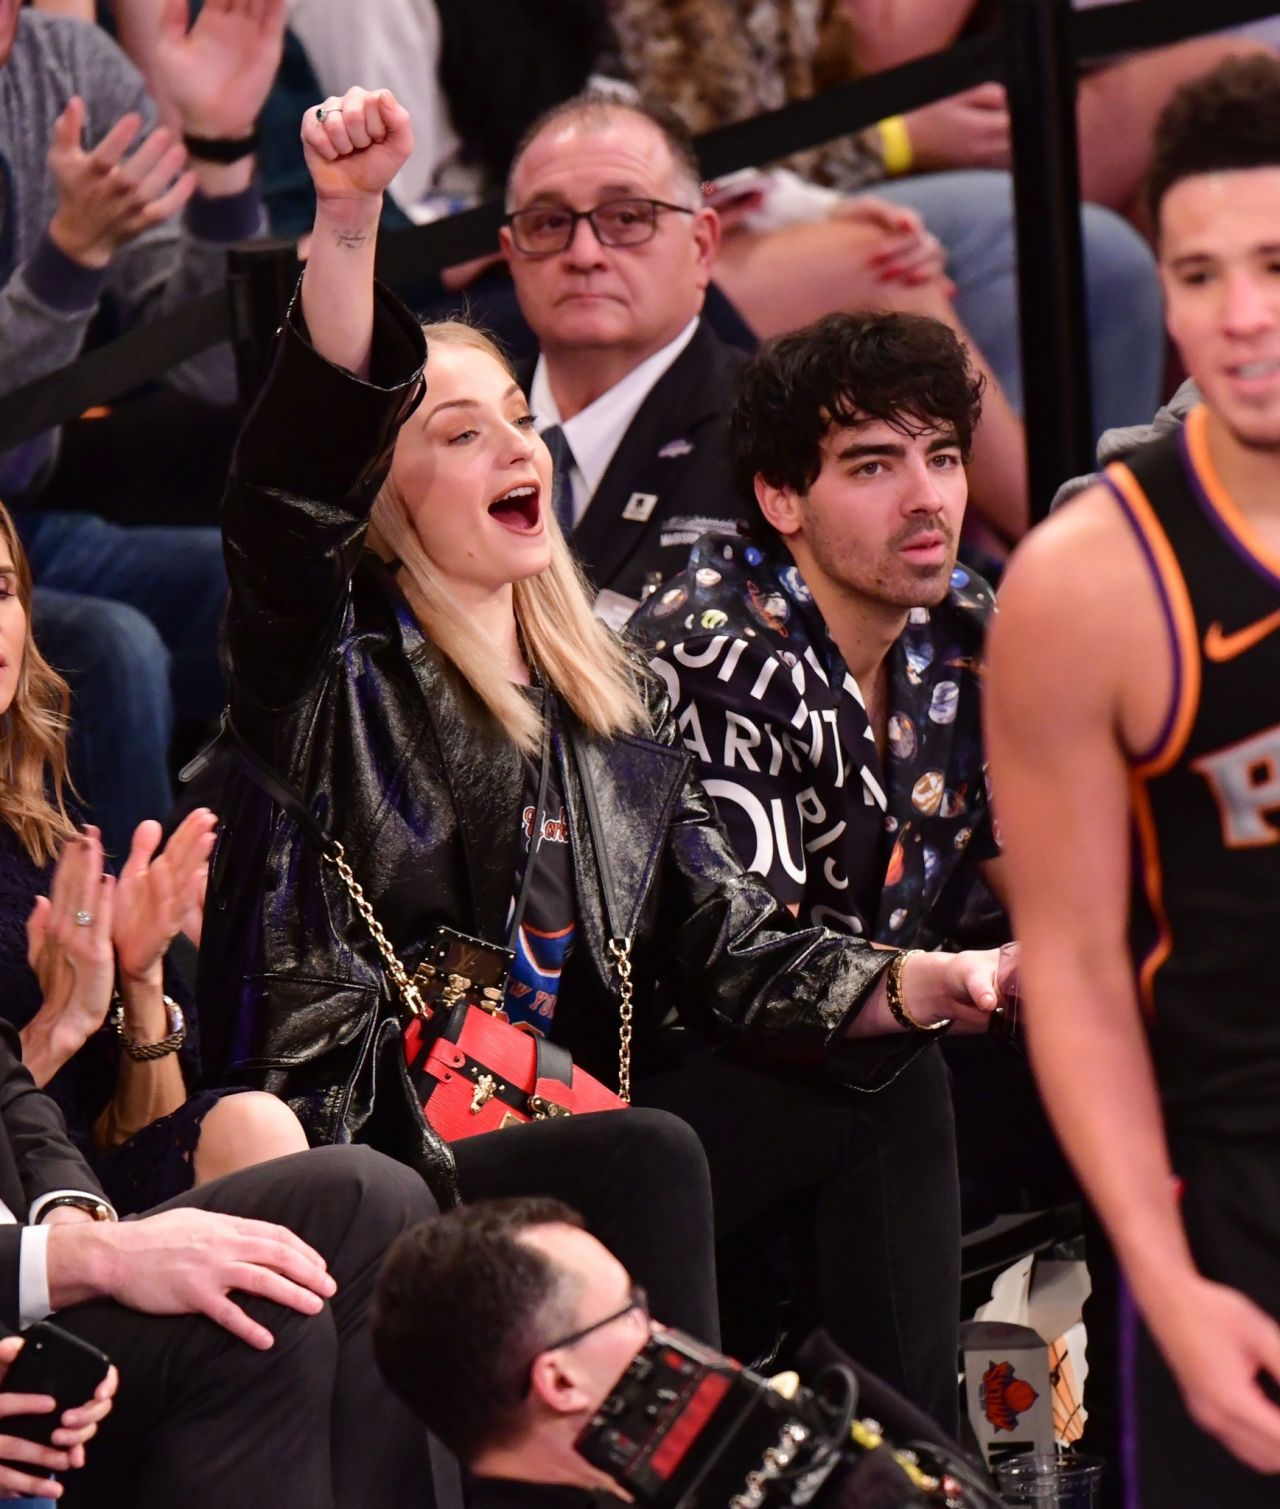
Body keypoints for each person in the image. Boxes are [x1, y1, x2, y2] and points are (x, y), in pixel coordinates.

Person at [198, 84, 1008, 1365]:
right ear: (384, 492)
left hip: (577, 1118)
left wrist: (938, 984)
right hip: (393, 1140)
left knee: (886, 1078)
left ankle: (913, 1471)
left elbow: (731, 947)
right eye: (458, 434)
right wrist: (348, 216)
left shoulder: (611, 703)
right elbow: (290, 483)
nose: (516, 445)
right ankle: (674, 1465)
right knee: (648, 1143)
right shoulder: (326, 675)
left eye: (518, 421)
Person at [985, 55, 1280, 1507]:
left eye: (1278, 264)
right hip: (1235, 1193)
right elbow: (1081, 972)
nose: (1241, 316)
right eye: (1198, 271)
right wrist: (1164, 1281)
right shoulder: (1086, 585)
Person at [628, 310, 1006, 1426]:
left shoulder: (958, 627)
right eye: (873, 466)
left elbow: (1033, 875)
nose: (925, 498)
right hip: (675, 1083)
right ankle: (925, 1478)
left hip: (885, 1028)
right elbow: (751, 983)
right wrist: (957, 982)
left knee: (1146, 1041)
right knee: (896, 1077)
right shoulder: (713, 648)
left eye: (940, 458)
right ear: (781, 500)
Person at [499, 91, 1029, 618]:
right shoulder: (438, 434)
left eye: (628, 217)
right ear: (510, 253)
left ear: (702, 245)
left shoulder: (798, 430)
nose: (584, 254)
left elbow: (960, 617)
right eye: (548, 223)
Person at [603, 0, 1166, 449]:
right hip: (704, 216)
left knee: (1103, 262)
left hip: (811, 187)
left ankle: (1053, 529)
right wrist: (892, 143)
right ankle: (1074, 533)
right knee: (892, 261)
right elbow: (693, 153)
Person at [0, 0, 285, 855]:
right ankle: (130, 963)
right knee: (115, 652)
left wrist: (222, 157)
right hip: (19, 510)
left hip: (30, 525)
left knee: (273, 580)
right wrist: (68, 260)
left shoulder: (68, 67)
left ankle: (293, 920)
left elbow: (204, 367)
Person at [0, 499, 309, 1220]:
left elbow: (134, 1136)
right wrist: (56, 1028)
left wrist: (140, 985)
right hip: (26, 1242)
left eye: (2, 590)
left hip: (105, 1207)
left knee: (259, 1128)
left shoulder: (49, 834)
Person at [0, 1020, 440, 1507]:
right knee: (257, 1305)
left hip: (30, 1250)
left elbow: (10, 1090)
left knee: (375, 1195)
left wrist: (72, 1214)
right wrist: (88, 1257)